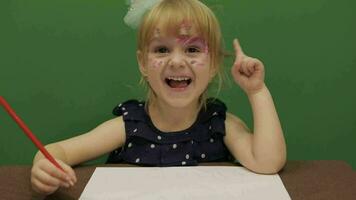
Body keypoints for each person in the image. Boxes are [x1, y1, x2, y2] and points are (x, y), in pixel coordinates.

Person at [31, 0, 286, 195]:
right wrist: (45, 167)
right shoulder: (130, 126)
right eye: (162, 49)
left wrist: (257, 91)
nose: (176, 61)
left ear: (213, 64)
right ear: (143, 62)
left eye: (193, 49)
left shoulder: (219, 124)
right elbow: (58, 151)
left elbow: (267, 162)